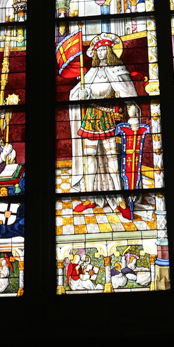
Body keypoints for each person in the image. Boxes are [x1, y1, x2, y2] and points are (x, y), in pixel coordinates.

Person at [68, 33, 140, 213]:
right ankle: (90, 197)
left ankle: (120, 199)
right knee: (89, 157)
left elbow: (128, 95)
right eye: (97, 50)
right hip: (91, 117)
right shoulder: (91, 72)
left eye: (103, 49)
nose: (100, 53)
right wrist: (81, 95)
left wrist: (133, 117)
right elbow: (76, 93)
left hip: (108, 117)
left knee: (112, 160)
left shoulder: (118, 70)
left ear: (109, 50)